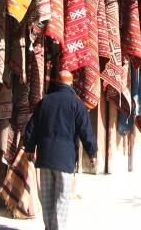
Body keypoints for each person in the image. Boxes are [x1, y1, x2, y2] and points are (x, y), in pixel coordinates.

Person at [23, 70, 97, 230]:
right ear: (71, 83)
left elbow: (32, 127)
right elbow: (86, 130)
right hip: (65, 160)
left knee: (47, 198)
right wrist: (92, 153)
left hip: (45, 158)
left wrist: (29, 148)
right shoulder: (77, 104)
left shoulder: (44, 102)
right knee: (61, 199)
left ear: (57, 82)